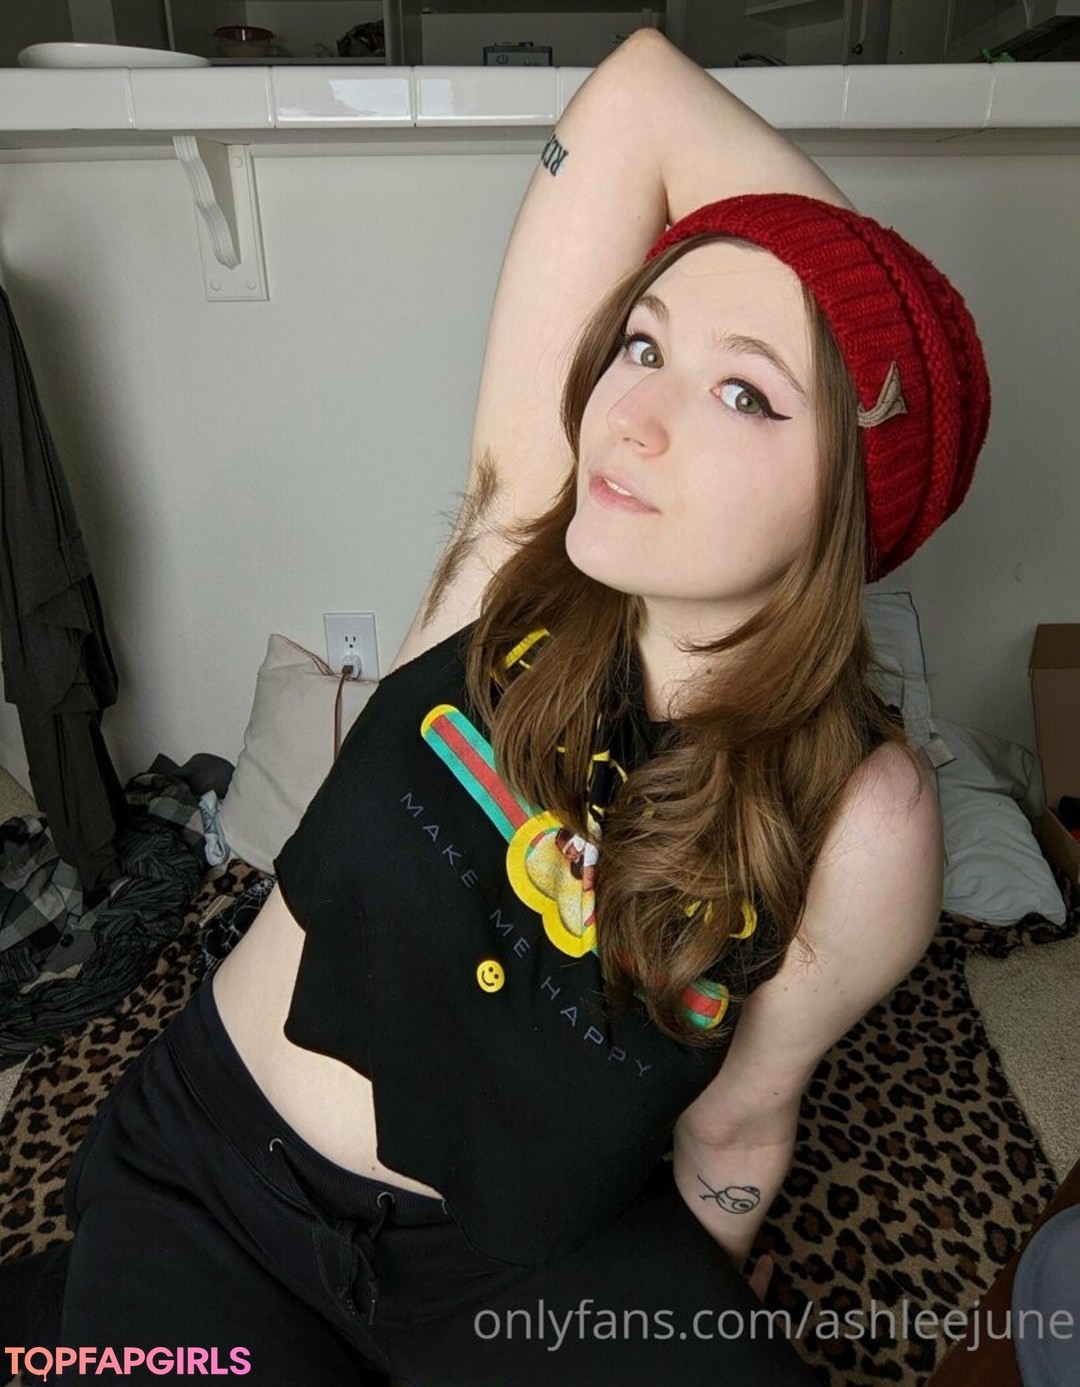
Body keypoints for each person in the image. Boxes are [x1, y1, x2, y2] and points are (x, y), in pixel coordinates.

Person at [55, 26, 990, 1386]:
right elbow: (640, 89)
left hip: (524, 1266)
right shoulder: (513, 562)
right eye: (643, 344)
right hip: (213, 1188)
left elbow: (740, 1119)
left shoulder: (866, 820)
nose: (633, 416)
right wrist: (835, 293)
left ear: (853, 490)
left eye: (745, 391)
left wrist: (696, 1295)